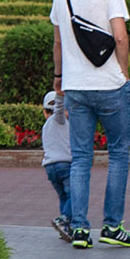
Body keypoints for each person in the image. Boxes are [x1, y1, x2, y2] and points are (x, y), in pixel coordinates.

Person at [50, 0, 130, 248]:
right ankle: (112, 227)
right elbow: (121, 37)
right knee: (118, 155)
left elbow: (58, 42)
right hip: (110, 85)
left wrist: (59, 76)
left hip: (75, 86)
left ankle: (80, 228)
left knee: (81, 158)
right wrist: (124, 75)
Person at [39, 90, 71, 238]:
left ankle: (64, 226)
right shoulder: (59, 120)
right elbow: (58, 108)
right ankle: (63, 220)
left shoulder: (45, 126)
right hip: (64, 164)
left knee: (63, 197)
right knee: (75, 195)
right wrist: (60, 90)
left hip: (49, 167)